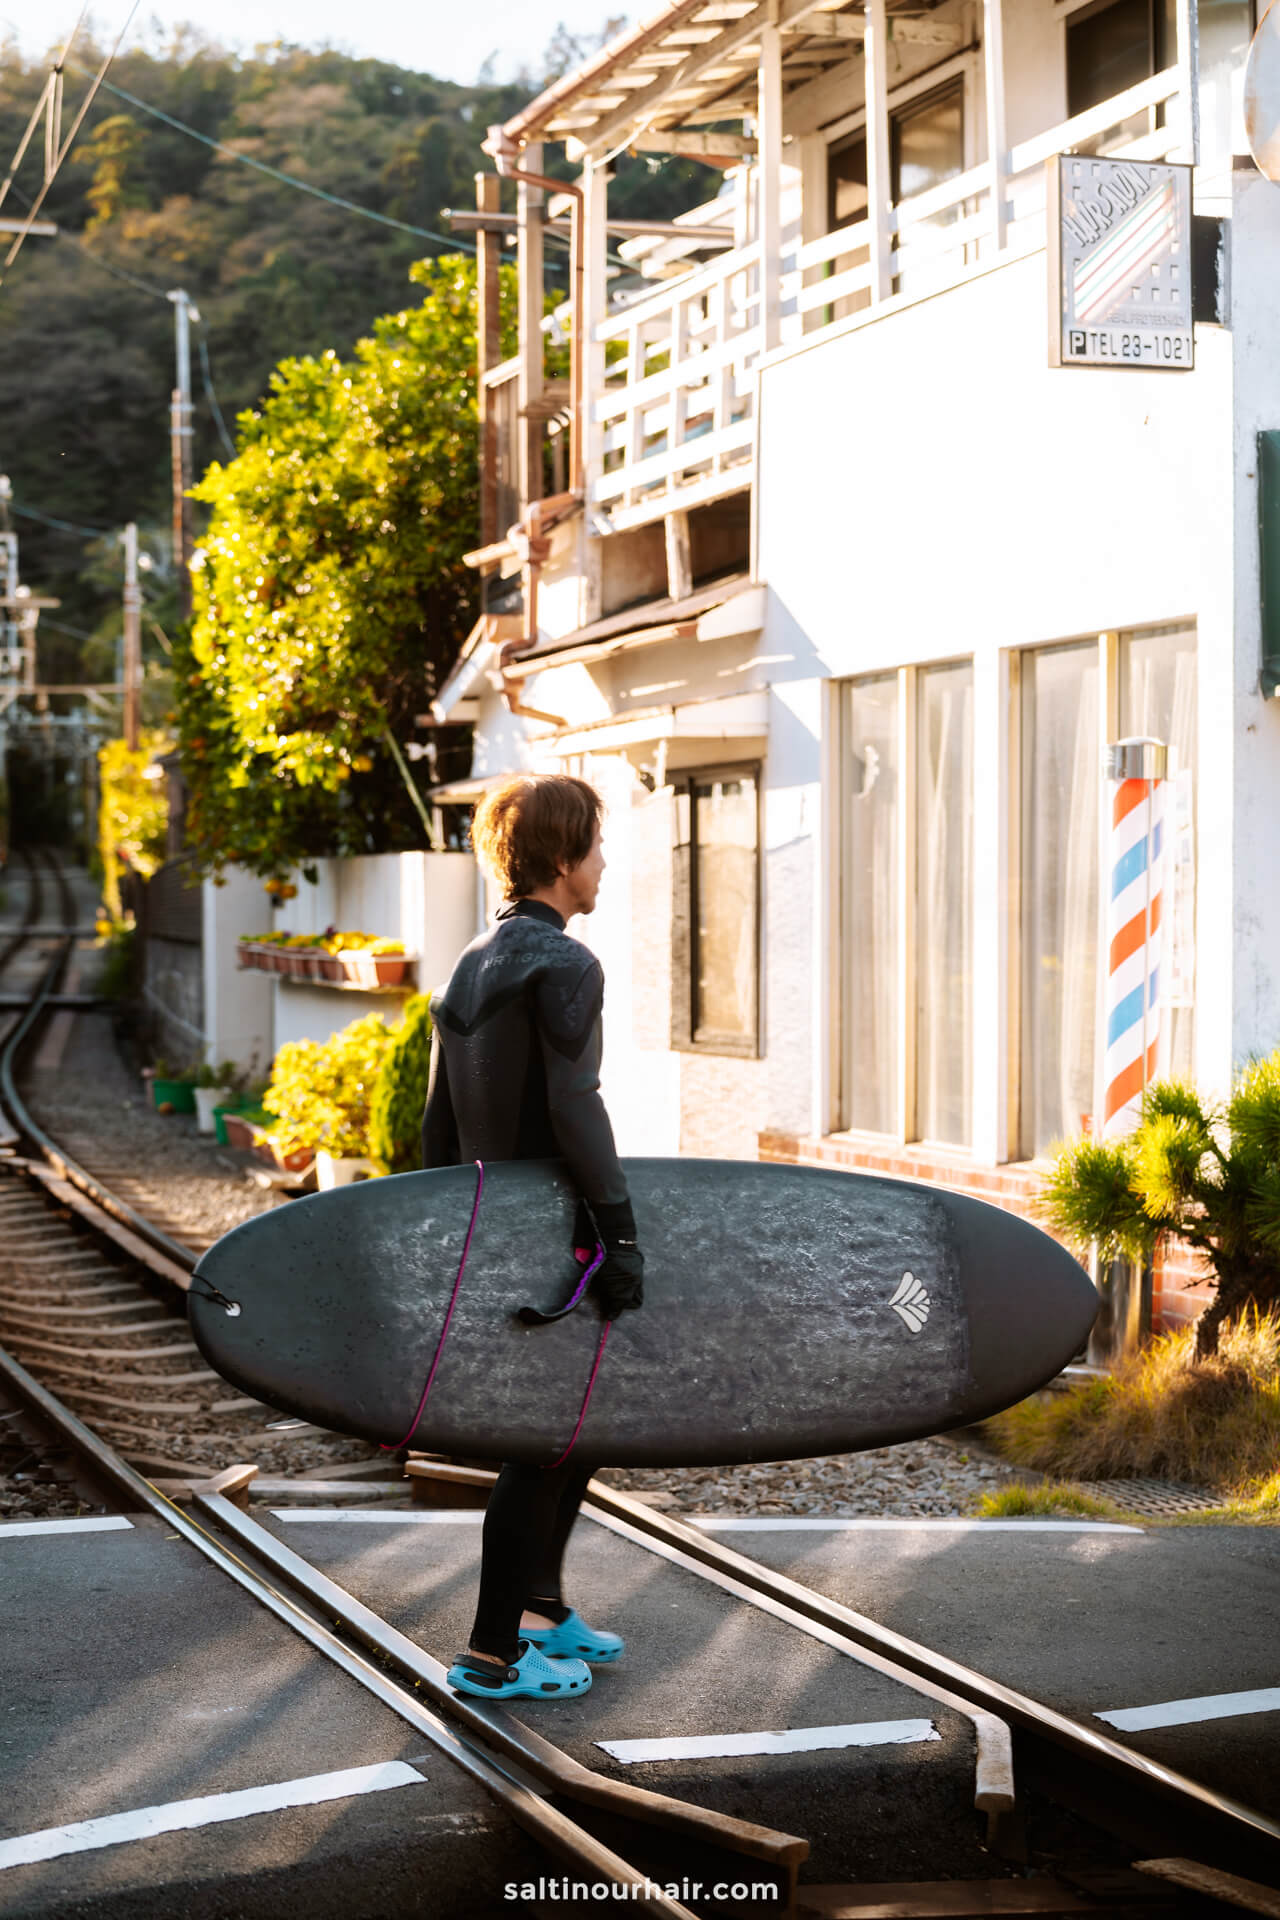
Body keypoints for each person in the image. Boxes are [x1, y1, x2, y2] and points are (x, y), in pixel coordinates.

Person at [421, 772, 644, 1701]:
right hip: (551, 1231)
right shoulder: (565, 963)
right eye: (595, 846)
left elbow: (435, 1128)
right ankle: (491, 1650)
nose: (604, 863)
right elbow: (574, 1103)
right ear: (561, 858)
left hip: (488, 1222)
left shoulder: (470, 961)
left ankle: (542, 1605)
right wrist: (621, 1231)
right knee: (545, 1440)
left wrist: (440, 1241)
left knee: (572, 1428)